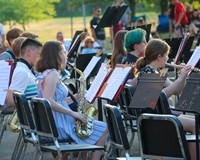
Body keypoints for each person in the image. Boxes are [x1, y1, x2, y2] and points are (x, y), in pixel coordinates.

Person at [35, 41, 107, 160]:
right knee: (103, 128)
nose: (66, 55)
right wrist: (72, 113)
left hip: (54, 122)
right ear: (56, 55)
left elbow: (56, 101)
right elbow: (47, 100)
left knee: (91, 126)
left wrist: (77, 96)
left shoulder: (47, 73)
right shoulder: (52, 74)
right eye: (63, 52)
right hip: (59, 125)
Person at [133, 39, 196, 160]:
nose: (168, 58)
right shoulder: (148, 72)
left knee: (195, 121)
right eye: (166, 55)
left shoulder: (157, 71)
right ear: (159, 56)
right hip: (156, 120)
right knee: (195, 126)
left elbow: (177, 91)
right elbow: (159, 97)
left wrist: (182, 77)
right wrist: (180, 78)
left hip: (162, 115)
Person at [6, 38, 42, 108]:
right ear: (28, 52)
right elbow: (11, 99)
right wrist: (33, 111)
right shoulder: (22, 71)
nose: (40, 58)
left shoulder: (25, 70)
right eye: (38, 53)